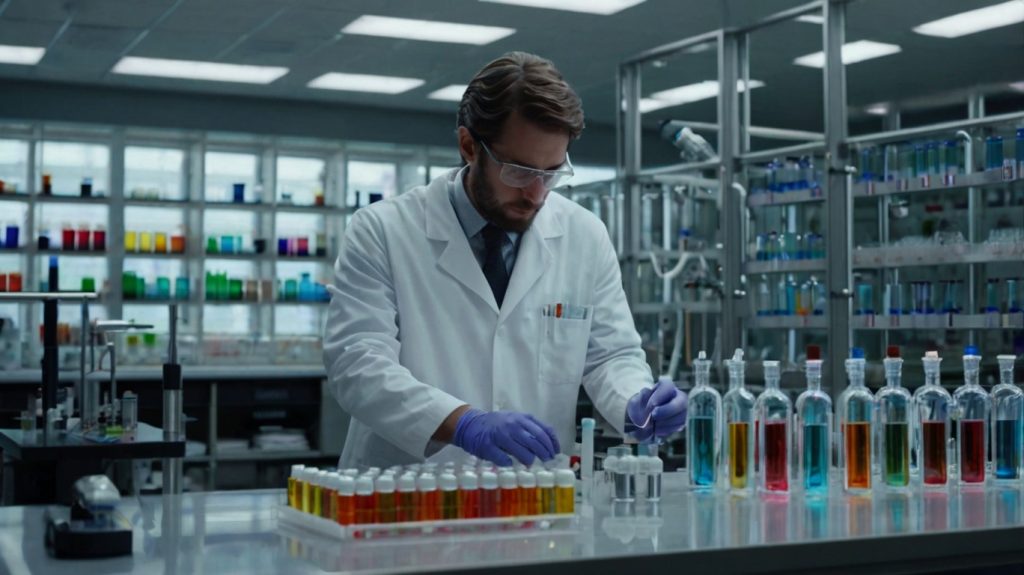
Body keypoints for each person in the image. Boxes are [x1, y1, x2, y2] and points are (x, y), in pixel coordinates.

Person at [324, 52, 686, 469]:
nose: (536, 193)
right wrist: (462, 423)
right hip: (407, 492)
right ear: (468, 147)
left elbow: (610, 356)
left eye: (551, 172)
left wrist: (636, 401)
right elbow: (357, 364)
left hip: (533, 494)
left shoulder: (585, 235)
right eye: (519, 170)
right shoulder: (383, 230)